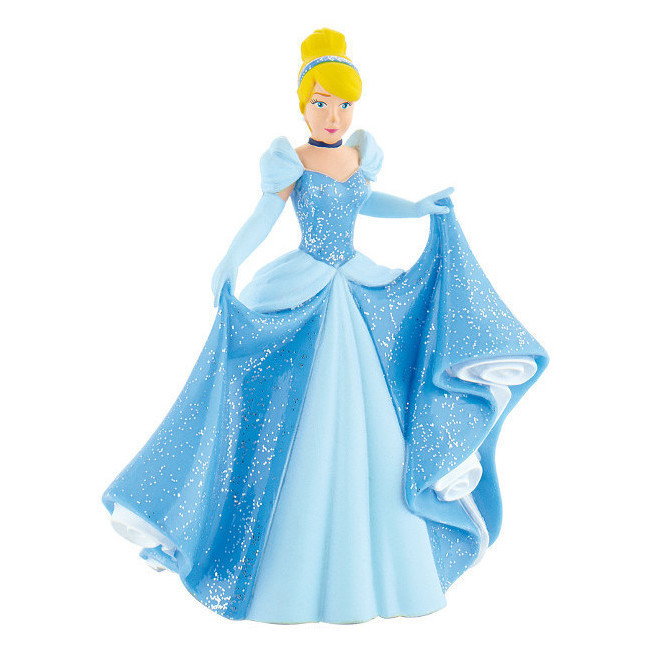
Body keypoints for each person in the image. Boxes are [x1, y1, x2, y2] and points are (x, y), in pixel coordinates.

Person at [103, 27, 548, 624]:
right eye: (321, 103)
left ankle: (380, 566)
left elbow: (367, 202)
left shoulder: (358, 156)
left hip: (355, 283)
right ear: (303, 103)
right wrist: (231, 260)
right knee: (292, 408)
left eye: (343, 104)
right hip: (305, 284)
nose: (333, 116)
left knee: (379, 411)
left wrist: (416, 210)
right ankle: (277, 559)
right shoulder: (292, 159)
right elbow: (265, 214)